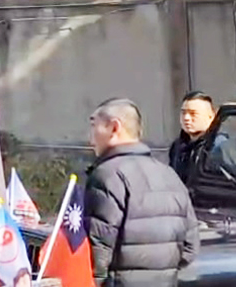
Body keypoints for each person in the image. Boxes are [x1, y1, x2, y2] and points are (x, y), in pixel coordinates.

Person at [85, 98, 198, 287]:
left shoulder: (107, 176)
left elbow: (97, 252)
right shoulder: (169, 175)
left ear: (114, 127)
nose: (90, 139)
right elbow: (190, 247)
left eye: (94, 126)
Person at [168, 91, 215, 183]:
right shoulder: (178, 146)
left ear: (211, 116)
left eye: (193, 114)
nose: (186, 118)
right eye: (183, 113)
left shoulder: (219, 146)